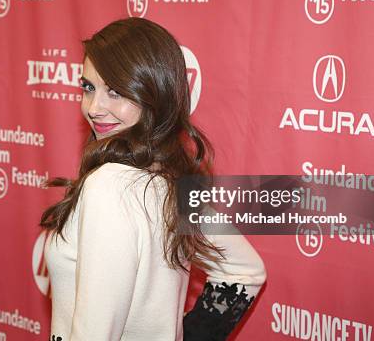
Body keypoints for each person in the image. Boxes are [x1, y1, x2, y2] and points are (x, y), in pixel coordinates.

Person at [40, 17, 266, 341]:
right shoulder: (169, 182)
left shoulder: (108, 186)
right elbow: (245, 271)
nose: (94, 107)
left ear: (154, 96)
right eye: (88, 87)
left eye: (115, 92)